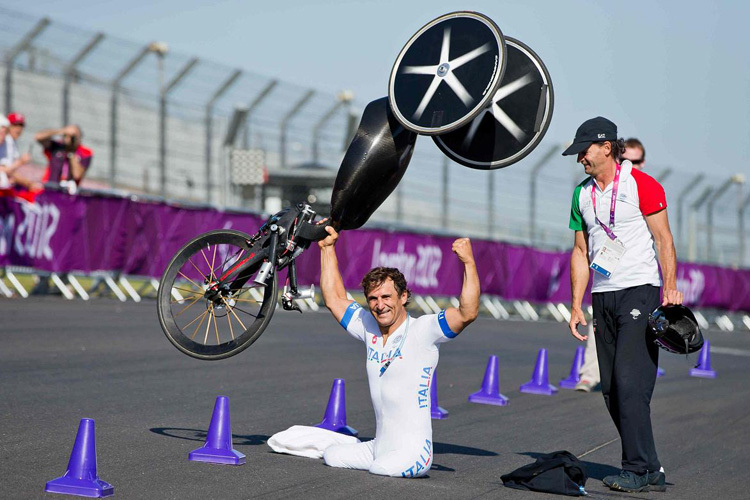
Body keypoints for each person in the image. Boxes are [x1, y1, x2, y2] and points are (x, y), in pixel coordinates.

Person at [563, 117, 682, 493]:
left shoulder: (641, 184)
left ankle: (634, 468)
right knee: (612, 388)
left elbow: (663, 239)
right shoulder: (581, 195)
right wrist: (576, 304)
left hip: (639, 291)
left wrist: (671, 287)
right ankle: (650, 467)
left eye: (584, 150)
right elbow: (581, 251)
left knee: (631, 383)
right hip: (603, 295)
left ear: (607, 148)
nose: (579, 157)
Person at [318, 226, 479, 477]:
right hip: (379, 447)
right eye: (373, 298)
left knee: (380, 469)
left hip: (415, 453)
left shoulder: (423, 330)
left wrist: (468, 262)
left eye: (386, 296)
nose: (380, 305)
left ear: (403, 296)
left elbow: (467, 313)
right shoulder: (369, 327)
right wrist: (327, 249)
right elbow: (334, 299)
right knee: (331, 455)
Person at [574, 137, 648, 392]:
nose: (630, 165)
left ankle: (628, 378)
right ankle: (589, 374)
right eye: (626, 160)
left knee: (632, 337)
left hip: (636, 281)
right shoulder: (593, 192)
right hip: (605, 279)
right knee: (600, 333)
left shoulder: (641, 190)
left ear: (642, 162)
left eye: (635, 161)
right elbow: (583, 245)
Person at [35, 124, 93, 191]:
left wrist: (71, 152)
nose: (69, 139)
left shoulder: (85, 152)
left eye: (72, 137)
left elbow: (77, 175)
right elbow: (38, 137)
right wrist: (62, 131)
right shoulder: (57, 146)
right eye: (66, 136)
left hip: (69, 191)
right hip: (50, 187)